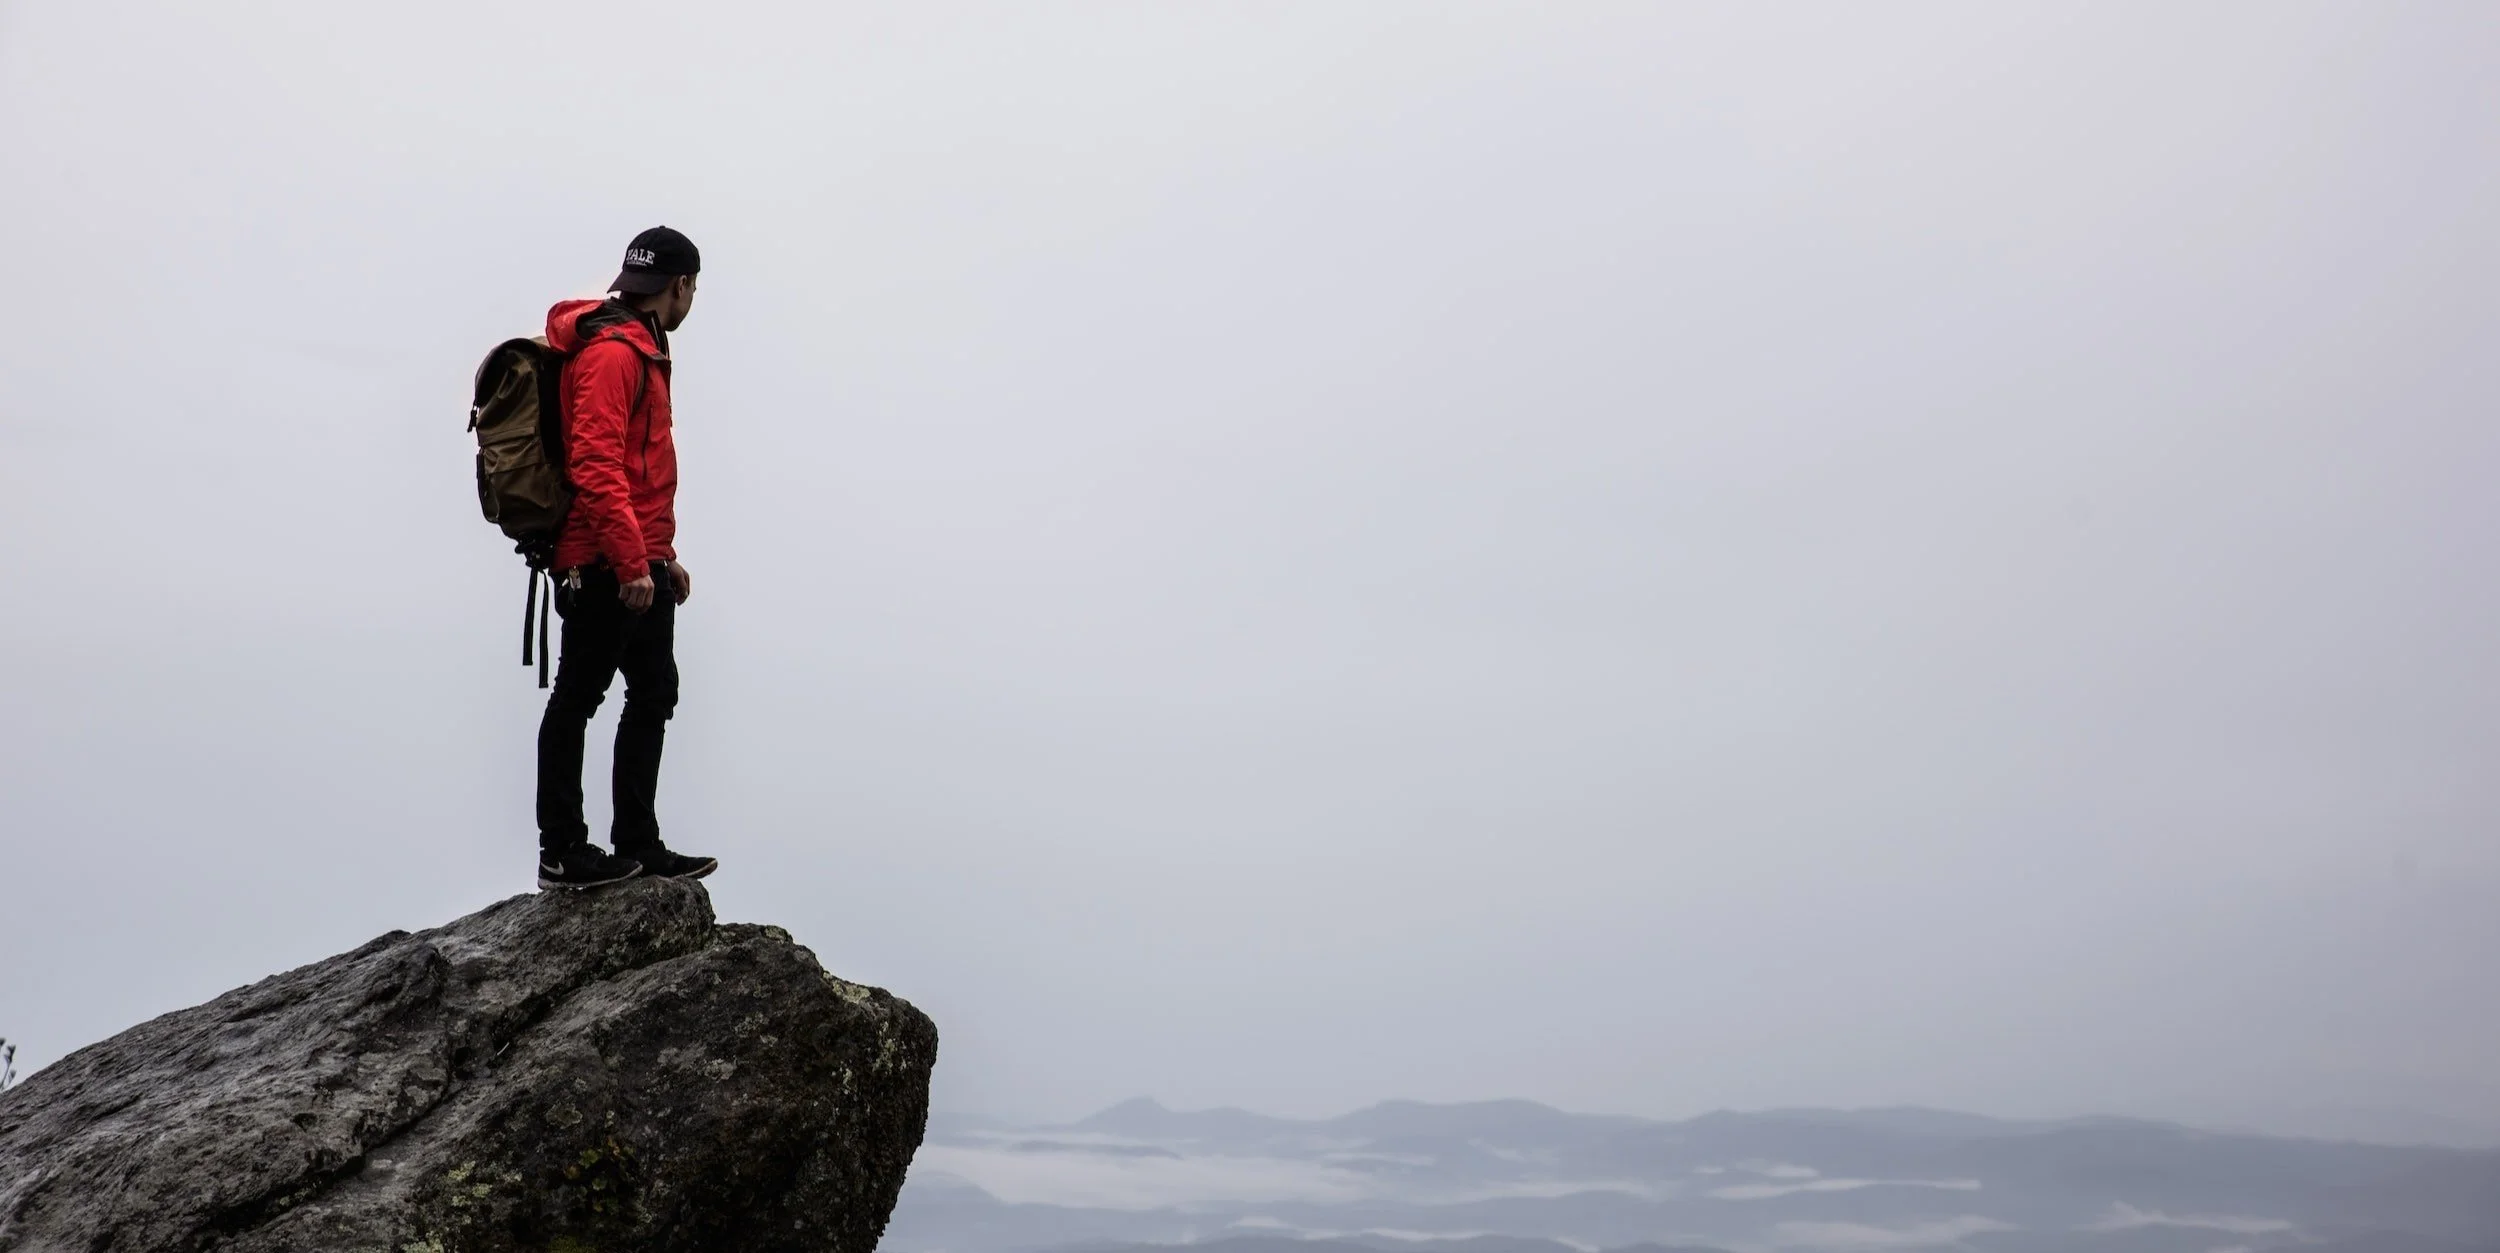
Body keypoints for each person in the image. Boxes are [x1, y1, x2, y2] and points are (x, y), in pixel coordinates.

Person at [533, 226, 720, 889]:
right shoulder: (614, 353)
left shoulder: (645, 348)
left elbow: (641, 471)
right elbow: (595, 463)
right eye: (694, 288)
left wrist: (661, 557)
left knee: (654, 692)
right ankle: (562, 850)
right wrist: (630, 561)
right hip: (602, 561)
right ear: (680, 286)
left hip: (637, 558)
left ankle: (636, 843)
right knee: (579, 697)